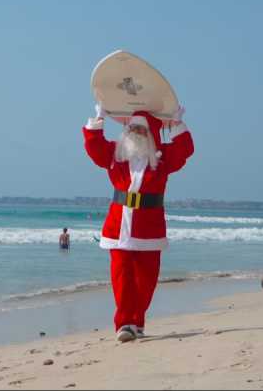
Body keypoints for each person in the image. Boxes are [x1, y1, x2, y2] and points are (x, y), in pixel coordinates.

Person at [83, 104, 194, 342]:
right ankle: (124, 323)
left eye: (141, 129)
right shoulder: (115, 154)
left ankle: (137, 320)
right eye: (132, 128)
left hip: (149, 229)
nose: (136, 132)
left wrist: (176, 124)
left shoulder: (163, 158)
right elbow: (93, 147)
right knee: (122, 278)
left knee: (146, 280)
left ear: (151, 134)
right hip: (118, 226)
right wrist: (99, 118)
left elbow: (185, 150)